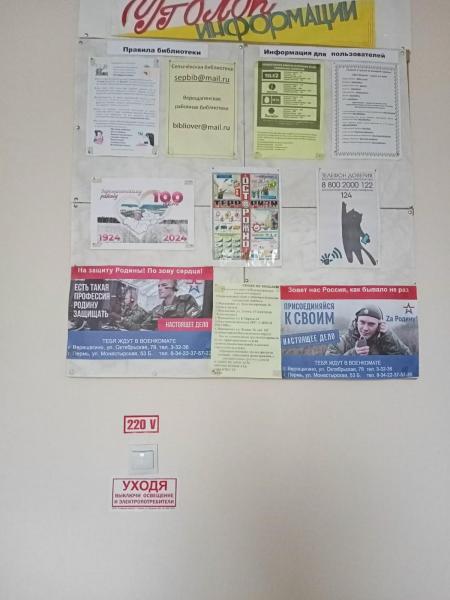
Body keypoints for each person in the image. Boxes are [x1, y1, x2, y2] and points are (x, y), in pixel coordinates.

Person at [326, 304, 411, 356]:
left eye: (371, 324)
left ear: (379, 325)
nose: (365, 328)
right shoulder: (339, 343)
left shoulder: (385, 341)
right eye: (362, 322)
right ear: (356, 322)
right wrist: (354, 354)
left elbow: (408, 360)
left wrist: (388, 336)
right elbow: (328, 368)